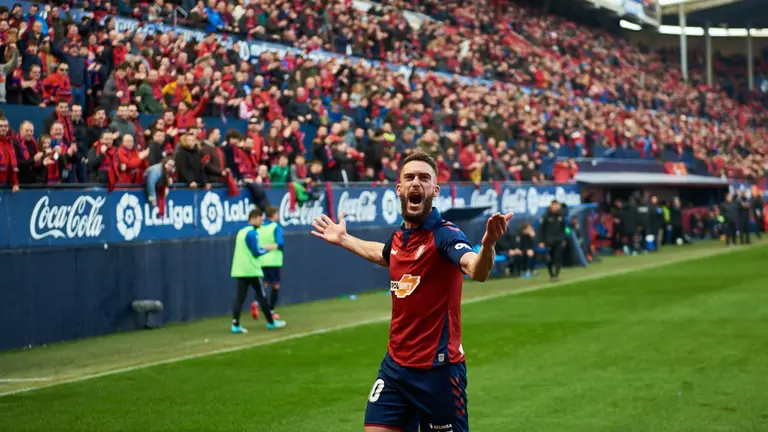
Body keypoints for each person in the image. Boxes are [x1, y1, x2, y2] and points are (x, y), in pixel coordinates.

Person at [311, 151, 512, 432]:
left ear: (434, 190)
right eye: (409, 177)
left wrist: (489, 242)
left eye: (424, 178)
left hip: (438, 373)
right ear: (400, 188)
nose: (416, 183)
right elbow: (382, 254)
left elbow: (476, 270)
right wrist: (344, 238)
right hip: (395, 369)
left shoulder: (445, 235)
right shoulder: (398, 237)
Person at [230, 208, 287, 333]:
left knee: (240, 297)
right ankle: (271, 323)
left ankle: (235, 324)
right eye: (260, 220)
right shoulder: (252, 233)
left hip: (239, 269)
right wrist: (268, 248)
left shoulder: (241, 232)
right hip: (252, 270)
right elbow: (256, 252)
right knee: (263, 296)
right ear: (254, 219)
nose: (261, 223)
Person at [255, 206, 285, 320]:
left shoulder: (260, 227)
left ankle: (256, 303)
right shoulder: (275, 227)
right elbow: (280, 243)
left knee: (264, 285)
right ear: (273, 215)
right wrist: (269, 247)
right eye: (277, 214)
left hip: (261, 260)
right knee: (275, 285)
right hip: (273, 260)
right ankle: (271, 310)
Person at [537, 200, 566, 282]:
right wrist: (540, 241)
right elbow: (541, 229)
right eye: (555, 205)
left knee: (558, 258)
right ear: (551, 206)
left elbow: (564, 228)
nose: (556, 207)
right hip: (548, 241)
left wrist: (563, 238)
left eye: (557, 205)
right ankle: (551, 274)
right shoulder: (546, 216)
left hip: (558, 240)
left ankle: (556, 275)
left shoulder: (561, 216)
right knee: (549, 258)